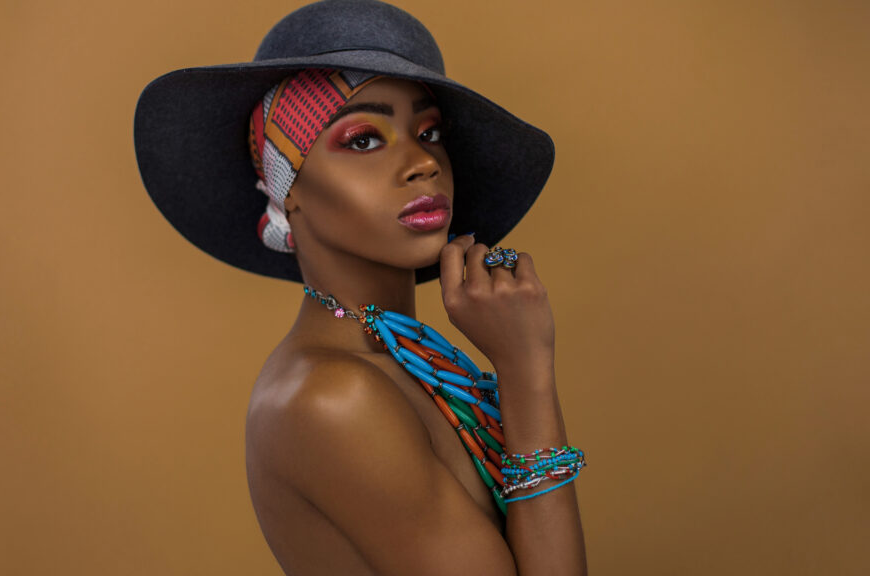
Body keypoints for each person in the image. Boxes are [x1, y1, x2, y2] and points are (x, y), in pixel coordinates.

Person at [134, 1, 586, 574]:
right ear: (287, 187)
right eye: (364, 140)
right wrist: (527, 373)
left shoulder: (409, 364)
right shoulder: (332, 399)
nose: (422, 161)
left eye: (430, 131)